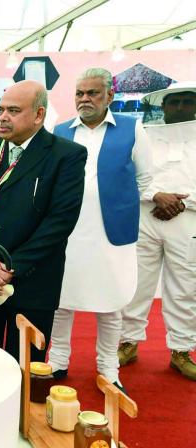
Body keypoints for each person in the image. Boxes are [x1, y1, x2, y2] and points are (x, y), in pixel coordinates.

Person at [0, 80, 87, 362]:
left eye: (13, 111)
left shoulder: (66, 156)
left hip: (33, 282)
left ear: (39, 115)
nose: (3, 117)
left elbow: (60, 221)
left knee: (25, 369)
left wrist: (9, 268)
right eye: (1, 110)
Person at [48, 68, 154, 392]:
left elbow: (144, 178)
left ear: (109, 95)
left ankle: (108, 368)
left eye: (92, 93)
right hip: (68, 232)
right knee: (60, 300)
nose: (84, 99)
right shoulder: (60, 131)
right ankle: (58, 361)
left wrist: (118, 204)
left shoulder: (132, 128)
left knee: (111, 301)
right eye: (79, 93)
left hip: (112, 232)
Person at [119, 82, 196, 381]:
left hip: (189, 219)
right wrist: (155, 195)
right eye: (174, 102)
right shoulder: (144, 136)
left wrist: (180, 202)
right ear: (163, 106)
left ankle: (181, 351)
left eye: (187, 101)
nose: (180, 107)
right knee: (136, 283)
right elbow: (129, 173)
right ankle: (128, 342)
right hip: (146, 215)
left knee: (185, 286)